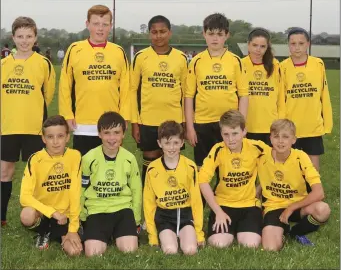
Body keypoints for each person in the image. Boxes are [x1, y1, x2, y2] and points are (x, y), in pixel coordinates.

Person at [1, 16, 56, 227]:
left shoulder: (44, 64)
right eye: (20, 36)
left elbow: (47, 95)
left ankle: (39, 215)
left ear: (36, 38)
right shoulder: (3, 64)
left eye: (29, 36)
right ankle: (2, 217)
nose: (24, 41)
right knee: (5, 172)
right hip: (8, 127)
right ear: (13, 38)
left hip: (34, 128)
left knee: (36, 173)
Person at [59, 5, 130, 156]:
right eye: (96, 24)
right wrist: (67, 114)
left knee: (110, 171)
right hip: (83, 123)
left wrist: (123, 116)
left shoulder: (118, 52)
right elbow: (65, 85)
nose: (100, 29)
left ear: (110, 26)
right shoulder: (75, 49)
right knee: (85, 171)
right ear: (87, 24)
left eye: (105, 24)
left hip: (111, 123)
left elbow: (126, 88)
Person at [184, 13, 248, 169]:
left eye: (219, 34)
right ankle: (204, 194)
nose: (215, 38)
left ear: (227, 35)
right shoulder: (196, 61)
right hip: (202, 123)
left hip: (229, 124)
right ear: (204, 34)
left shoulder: (235, 61)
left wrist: (241, 125)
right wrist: (190, 127)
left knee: (227, 168)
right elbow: (188, 97)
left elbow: (244, 95)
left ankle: (224, 194)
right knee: (203, 168)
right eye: (211, 34)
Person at [130, 15, 188, 187]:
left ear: (169, 33)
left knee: (171, 161)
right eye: (154, 32)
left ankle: (169, 198)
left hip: (173, 121)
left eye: (162, 31)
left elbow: (186, 94)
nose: (158, 36)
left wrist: (184, 122)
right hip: (147, 120)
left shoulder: (181, 58)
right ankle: (149, 197)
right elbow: (132, 91)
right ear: (149, 34)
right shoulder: (141, 57)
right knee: (150, 162)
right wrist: (135, 123)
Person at [258, 119, 331, 251]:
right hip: (274, 206)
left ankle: (295, 232)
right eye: (276, 136)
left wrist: (291, 208)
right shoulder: (261, 155)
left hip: (298, 205)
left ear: (294, 139)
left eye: (285, 137)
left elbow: (319, 192)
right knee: (270, 248)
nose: (280, 141)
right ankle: (281, 229)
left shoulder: (300, 157)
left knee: (323, 210)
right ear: (270, 138)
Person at [198, 110, 265, 248]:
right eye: (226, 134)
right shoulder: (218, 150)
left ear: (244, 131)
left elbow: (275, 164)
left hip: (249, 205)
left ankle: (244, 227)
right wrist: (218, 211)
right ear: (221, 133)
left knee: (250, 244)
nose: (230, 139)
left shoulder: (257, 147)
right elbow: (202, 181)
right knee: (219, 244)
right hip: (224, 204)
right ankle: (229, 227)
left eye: (235, 133)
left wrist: (261, 186)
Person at [80, 111, 142, 257]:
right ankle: (104, 234)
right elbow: (81, 189)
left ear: (123, 134)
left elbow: (136, 190)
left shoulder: (129, 158)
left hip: (122, 209)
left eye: (116, 132)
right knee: (93, 253)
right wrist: (82, 217)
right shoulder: (89, 158)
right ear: (99, 134)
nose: (112, 138)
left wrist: (136, 219)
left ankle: (119, 233)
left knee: (129, 250)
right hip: (97, 210)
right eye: (107, 133)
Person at [19, 115, 82, 255]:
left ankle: (52, 232)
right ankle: (44, 230)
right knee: (26, 215)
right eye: (50, 137)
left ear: (67, 137)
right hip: (44, 212)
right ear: (43, 138)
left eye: (60, 136)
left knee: (75, 252)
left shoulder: (75, 156)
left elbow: (75, 192)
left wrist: (73, 229)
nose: (55, 142)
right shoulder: (35, 159)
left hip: (65, 215)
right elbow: (24, 197)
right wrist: (53, 213)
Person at [143, 121, 204, 255]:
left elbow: (196, 201)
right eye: (167, 143)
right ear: (160, 143)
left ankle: (187, 234)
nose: (171, 147)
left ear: (182, 143)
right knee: (170, 250)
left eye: (176, 143)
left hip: (185, 216)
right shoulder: (152, 169)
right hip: (165, 217)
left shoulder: (190, 166)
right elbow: (149, 203)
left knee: (190, 250)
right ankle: (166, 237)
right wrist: (152, 236)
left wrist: (199, 233)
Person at [280, 27, 333, 171]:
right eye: (293, 43)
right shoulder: (282, 67)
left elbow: (324, 95)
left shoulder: (318, 64)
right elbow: (280, 99)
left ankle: (314, 193)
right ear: (288, 45)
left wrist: (327, 122)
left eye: (301, 43)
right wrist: (283, 124)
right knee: (290, 169)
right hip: (291, 128)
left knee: (312, 171)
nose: (297, 47)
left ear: (308, 44)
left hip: (312, 127)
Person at [242, 28, 285, 145]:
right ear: (248, 45)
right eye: (255, 45)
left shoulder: (275, 65)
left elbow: (281, 97)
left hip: (270, 126)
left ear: (267, 47)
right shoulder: (240, 64)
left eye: (262, 46)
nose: (258, 50)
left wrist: (280, 122)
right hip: (247, 126)